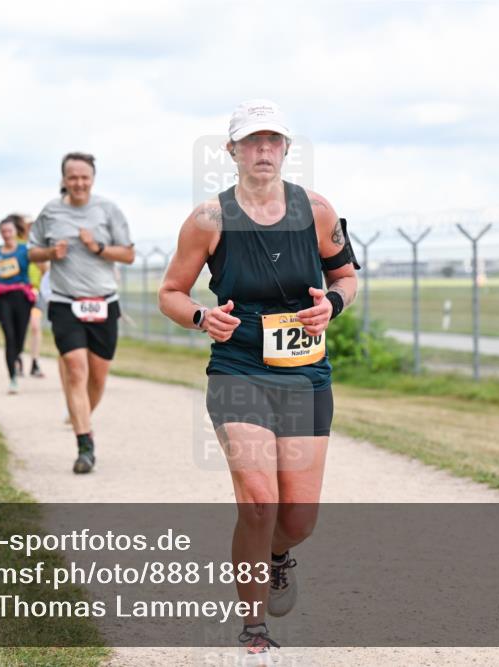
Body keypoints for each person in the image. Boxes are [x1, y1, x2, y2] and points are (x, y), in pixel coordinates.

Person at [158, 100, 359, 665]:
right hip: (238, 369)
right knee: (258, 502)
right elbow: (170, 293)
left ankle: (275, 556)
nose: (263, 150)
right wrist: (202, 317)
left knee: (298, 518)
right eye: (251, 141)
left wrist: (333, 304)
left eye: (273, 140)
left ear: (287, 149)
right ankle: (254, 626)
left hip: (305, 374)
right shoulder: (208, 220)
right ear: (232, 151)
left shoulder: (317, 211)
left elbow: (346, 276)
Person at [28, 152, 135, 474]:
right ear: (64, 179)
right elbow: (31, 252)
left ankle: (81, 415)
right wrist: (50, 252)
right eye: (72, 177)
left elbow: (128, 254)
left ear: (93, 178)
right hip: (65, 301)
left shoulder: (108, 210)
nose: (78, 183)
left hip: (103, 301)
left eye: (84, 177)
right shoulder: (50, 211)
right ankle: (85, 446)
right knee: (76, 370)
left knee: (98, 379)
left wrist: (97, 247)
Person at [0, 216, 35, 393]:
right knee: (9, 337)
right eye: (3, 231)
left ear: (15, 232)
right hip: (2, 297)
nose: (6, 234)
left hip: (22, 296)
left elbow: (42, 266)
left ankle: (16, 355)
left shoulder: (25, 250)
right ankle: (12, 378)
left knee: (20, 336)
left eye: (9, 231)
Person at [13, 216, 48, 379]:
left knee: (35, 326)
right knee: (19, 327)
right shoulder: (16, 243)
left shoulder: (39, 245)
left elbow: (45, 269)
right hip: (18, 291)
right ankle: (17, 357)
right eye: (28, 225)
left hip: (35, 292)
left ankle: (35, 362)